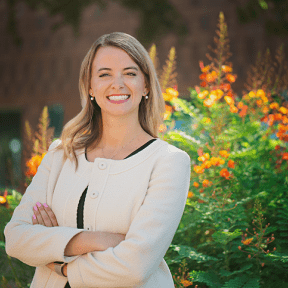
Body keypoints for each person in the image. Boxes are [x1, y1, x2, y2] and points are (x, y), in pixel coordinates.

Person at [4, 32, 191, 288]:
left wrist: (59, 259)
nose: (118, 83)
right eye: (104, 74)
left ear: (146, 85)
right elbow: (15, 238)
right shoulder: (61, 155)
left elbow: (135, 266)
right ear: (90, 87)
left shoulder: (168, 162)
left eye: (130, 73)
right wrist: (98, 240)